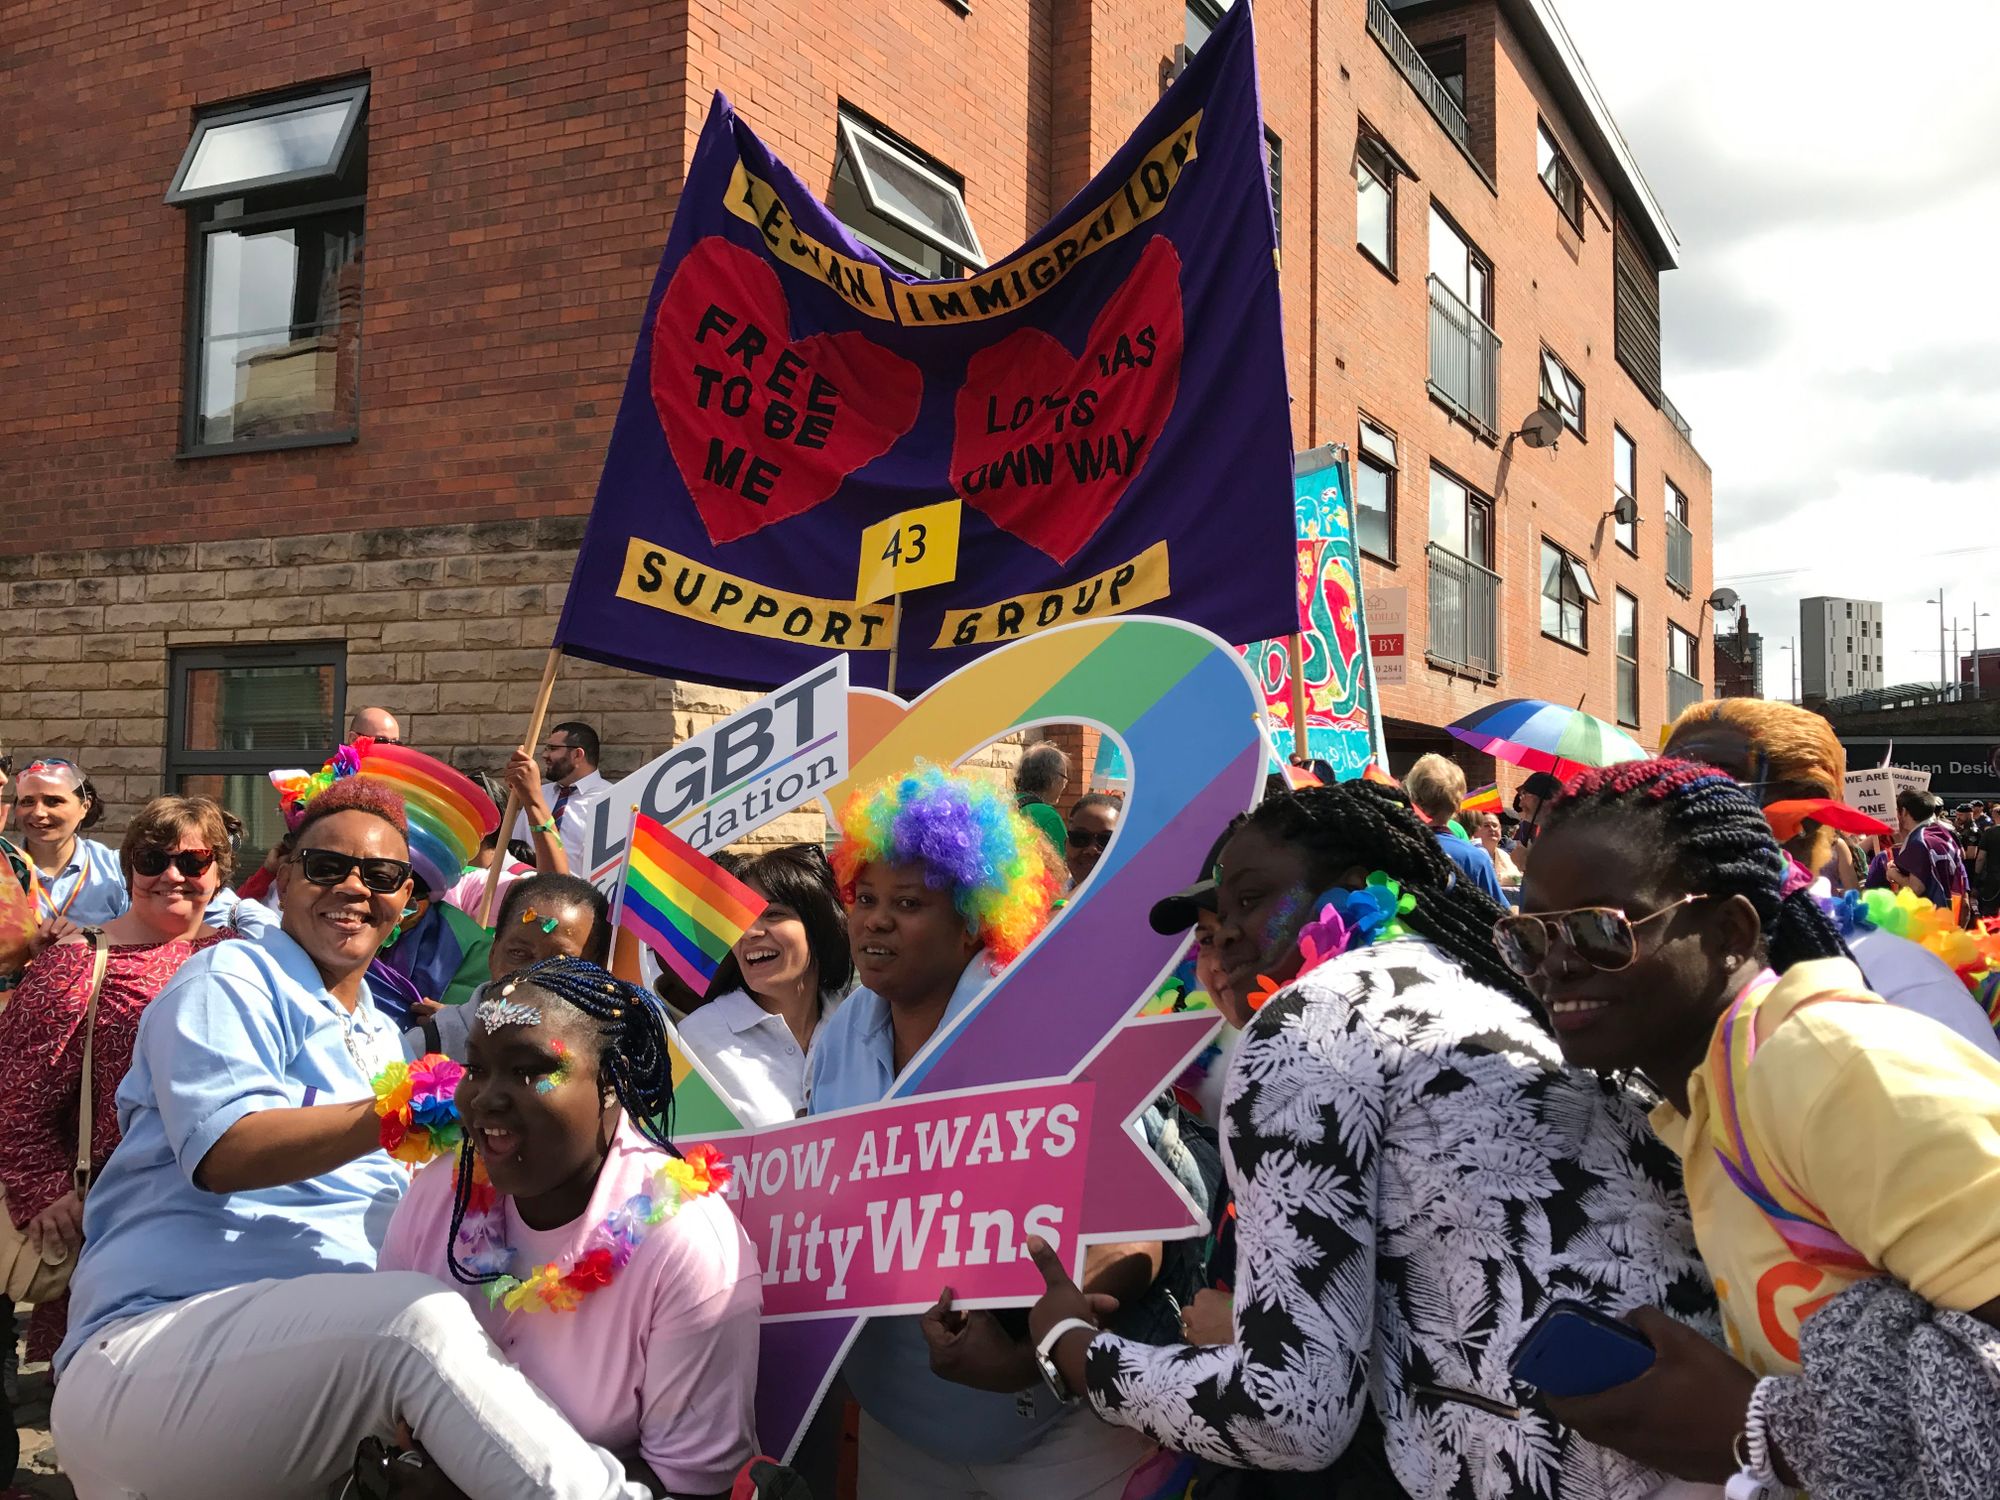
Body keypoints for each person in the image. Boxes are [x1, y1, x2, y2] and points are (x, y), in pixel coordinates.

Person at [1022, 781, 1710, 1497]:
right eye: (1215, 916)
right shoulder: (1463, 984)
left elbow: (1288, 1412)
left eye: (1252, 900)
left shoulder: (1311, 1019)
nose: (1224, 931)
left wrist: (1072, 1351)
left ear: (1354, 886)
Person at [48, 777, 663, 1500]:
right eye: (325, 866)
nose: (353, 887)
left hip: (309, 1383)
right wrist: (402, 1114)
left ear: (407, 901)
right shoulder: (230, 978)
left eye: (381, 875)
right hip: (157, 1357)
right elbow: (224, 1151)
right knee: (415, 1325)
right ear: (282, 872)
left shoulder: (377, 1029)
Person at [1511, 759, 2000, 1492]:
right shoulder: (1705, 1104)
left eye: (1596, 930)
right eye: (1529, 936)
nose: (1555, 967)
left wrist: (1759, 1433)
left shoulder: (1824, 1068)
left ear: (1731, 932)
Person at [809, 764, 1157, 1498]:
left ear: (975, 921)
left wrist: (1033, 1350)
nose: (874, 920)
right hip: (900, 1426)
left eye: (907, 903)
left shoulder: (1052, 1028)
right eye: (863, 898)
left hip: (1056, 1439)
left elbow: (1138, 1238)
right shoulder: (841, 1029)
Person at [378, 956, 762, 1496]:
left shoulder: (686, 1245)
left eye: (529, 1070)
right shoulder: (439, 1194)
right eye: (478, 1068)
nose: (487, 1097)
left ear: (610, 1082)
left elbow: (696, 1488)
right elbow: (382, 1373)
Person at [0, 796, 238, 1363]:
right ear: (130, 866)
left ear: (219, 871)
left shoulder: (238, 956)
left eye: (194, 861)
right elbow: (14, 1087)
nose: (172, 876)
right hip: (114, 1214)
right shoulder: (79, 962)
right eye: (152, 859)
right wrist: (41, 1189)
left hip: (219, 1209)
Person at [1664, 697, 1999, 1058]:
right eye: (1661, 788)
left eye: (1710, 791)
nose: (1665, 814)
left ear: (1804, 815)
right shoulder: (1637, 958)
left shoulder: (1897, 981)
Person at [679, 845, 851, 1126]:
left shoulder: (862, 1024)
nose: (749, 933)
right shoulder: (695, 1040)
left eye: (773, 914)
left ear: (819, 926)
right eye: (739, 919)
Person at [406, 872, 612, 1061]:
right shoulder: (426, 1048)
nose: (534, 974)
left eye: (561, 962)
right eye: (518, 954)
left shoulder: (608, 1063)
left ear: (595, 970)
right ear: (493, 953)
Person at [5, 758, 125, 933]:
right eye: (28, 801)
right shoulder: (5, 869)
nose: (38, 812)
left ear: (84, 806)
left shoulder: (117, 870)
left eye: (53, 801)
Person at [1404, 752, 1507, 903]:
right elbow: (1501, 917)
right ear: (1459, 804)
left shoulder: (1396, 850)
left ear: (1413, 798)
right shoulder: (1476, 859)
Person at [513, 721, 611, 876]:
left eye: (553, 748)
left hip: (582, 897)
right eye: (546, 748)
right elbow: (516, 851)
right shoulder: (535, 795)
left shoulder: (610, 802)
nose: (545, 755)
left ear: (577, 755)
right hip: (532, 893)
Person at [1888, 786, 1968, 910]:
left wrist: (1893, 873)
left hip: (1928, 917)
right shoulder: (1945, 834)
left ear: (1903, 812)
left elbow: (1916, 888)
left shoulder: (1918, 841)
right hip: (1950, 911)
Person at [1013, 741, 1070, 860]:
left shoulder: (1005, 805)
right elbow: (1063, 868)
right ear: (1052, 778)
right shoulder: (1048, 816)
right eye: (1064, 777)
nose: (1065, 784)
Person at [1062, 792, 1119, 889]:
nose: (1092, 850)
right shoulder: (1043, 900)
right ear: (1066, 844)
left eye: (1106, 839)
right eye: (1080, 837)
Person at [1510, 769, 1564, 852]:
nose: (1520, 804)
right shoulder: (1533, 831)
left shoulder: (1563, 837)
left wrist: (1522, 863)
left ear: (1544, 799)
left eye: (1524, 794)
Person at [1475, 809, 1523, 887]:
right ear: (1476, 831)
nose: (1492, 828)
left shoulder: (1506, 856)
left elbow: (1518, 879)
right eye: (1486, 825)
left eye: (1495, 825)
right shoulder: (1471, 855)